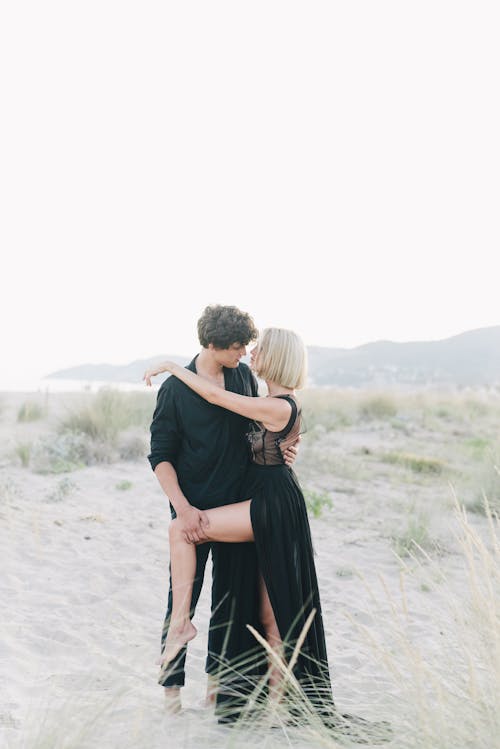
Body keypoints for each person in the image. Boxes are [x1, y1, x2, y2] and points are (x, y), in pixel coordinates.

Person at [145, 328, 393, 741]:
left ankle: (184, 626)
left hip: (271, 506)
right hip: (266, 498)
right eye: (246, 347)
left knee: (182, 530)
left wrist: (172, 366)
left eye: (258, 349)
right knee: (269, 612)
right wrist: (284, 447)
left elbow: (217, 398)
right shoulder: (268, 397)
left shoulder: (276, 404)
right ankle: (276, 704)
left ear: (276, 357)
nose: (250, 353)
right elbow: (268, 435)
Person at [146, 306, 299, 717]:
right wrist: (183, 509)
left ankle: (217, 693)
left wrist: (282, 450)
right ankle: (171, 696)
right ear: (212, 345)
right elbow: (160, 455)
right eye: (236, 347)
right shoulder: (174, 391)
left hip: (240, 507)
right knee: (181, 599)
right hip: (191, 508)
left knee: (231, 603)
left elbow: (258, 428)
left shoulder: (242, 377)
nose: (244, 353)